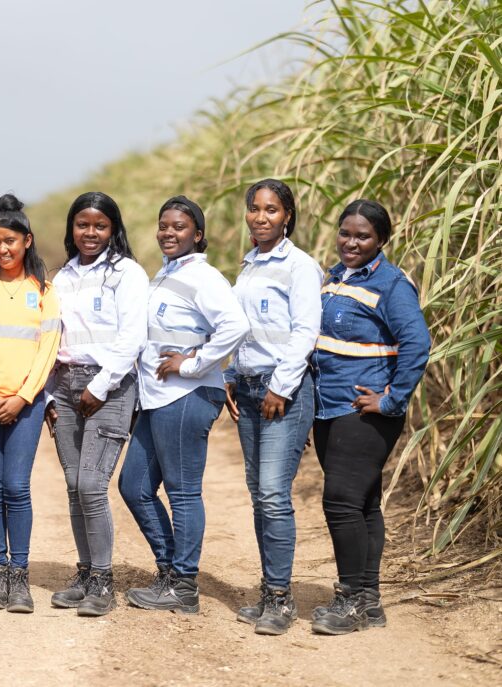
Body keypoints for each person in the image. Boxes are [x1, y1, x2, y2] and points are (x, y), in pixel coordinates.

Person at [119, 196, 249, 614]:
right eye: (164, 226)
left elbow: (235, 325)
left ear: (197, 234)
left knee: (182, 492)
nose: (169, 233)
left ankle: (184, 584)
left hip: (186, 396)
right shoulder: (166, 274)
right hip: (156, 399)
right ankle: (171, 569)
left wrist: (192, 364)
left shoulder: (204, 277)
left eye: (179, 227)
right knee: (134, 487)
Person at [310, 199, 430, 635]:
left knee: (340, 503)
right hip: (329, 408)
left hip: (362, 411)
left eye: (362, 236)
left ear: (381, 240)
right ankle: (369, 601)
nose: (351, 242)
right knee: (362, 505)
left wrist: (391, 399)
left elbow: (417, 344)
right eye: (346, 233)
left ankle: (350, 602)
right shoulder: (334, 278)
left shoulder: (392, 283)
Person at [224, 178, 323, 635]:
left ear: (287, 216)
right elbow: (241, 329)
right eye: (255, 209)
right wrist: (230, 374)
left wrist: (280, 388)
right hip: (248, 388)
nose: (261, 217)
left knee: (272, 494)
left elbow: (304, 332)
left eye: (272, 210)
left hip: (282, 392)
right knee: (258, 495)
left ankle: (282, 600)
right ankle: (268, 591)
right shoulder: (249, 266)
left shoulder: (300, 267)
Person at [46, 191, 148, 617]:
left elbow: (132, 337)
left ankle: (103, 581)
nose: (90, 233)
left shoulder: (127, 273)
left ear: (113, 229)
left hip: (110, 387)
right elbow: (51, 338)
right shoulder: (62, 277)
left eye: (99, 226)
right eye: (82, 225)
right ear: (72, 228)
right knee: (74, 488)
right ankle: (85, 572)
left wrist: (101, 386)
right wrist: (51, 393)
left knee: (91, 485)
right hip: (65, 388)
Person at [0, 194, 61, 614]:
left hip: (28, 403)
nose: (3, 249)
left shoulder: (44, 290)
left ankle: (19, 577)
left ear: (27, 241)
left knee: (16, 487)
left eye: (11, 241)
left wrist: (22, 397)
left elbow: (48, 348)